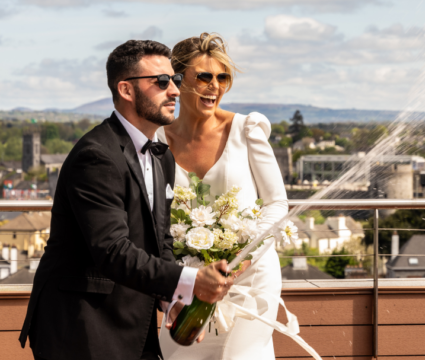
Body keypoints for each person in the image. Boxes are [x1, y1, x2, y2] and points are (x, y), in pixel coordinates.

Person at [19, 40, 234, 360]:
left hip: (135, 322)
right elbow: (112, 251)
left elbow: (159, 241)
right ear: (126, 90)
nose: (175, 91)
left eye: (175, 80)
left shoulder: (162, 158)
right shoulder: (95, 156)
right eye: (161, 82)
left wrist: (172, 300)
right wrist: (191, 280)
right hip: (81, 326)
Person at [158, 33, 288, 360]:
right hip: (185, 281)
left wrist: (242, 257)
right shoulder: (155, 140)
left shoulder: (247, 130)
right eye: (203, 76)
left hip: (249, 279)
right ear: (177, 79)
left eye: (222, 77)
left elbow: (276, 203)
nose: (214, 85)